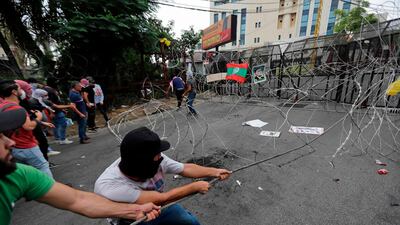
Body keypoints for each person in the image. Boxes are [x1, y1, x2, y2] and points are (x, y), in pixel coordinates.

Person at [0, 105, 161, 225]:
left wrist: (134, 210)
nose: (11, 143)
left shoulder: (18, 174)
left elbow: (78, 199)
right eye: (0, 137)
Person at [94, 127, 232, 225]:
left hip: (158, 208)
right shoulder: (110, 186)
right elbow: (161, 199)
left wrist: (214, 171)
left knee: (189, 222)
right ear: (142, 161)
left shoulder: (155, 157)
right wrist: (194, 187)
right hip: (131, 219)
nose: (161, 157)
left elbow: (185, 168)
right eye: (157, 155)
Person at [0, 80, 53, 177]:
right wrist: (39, 117)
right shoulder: (16, 108)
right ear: (14, 92)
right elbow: (28, 126)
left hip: (13, 147)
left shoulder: (2, 106)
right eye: (20, 88)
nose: (23, 90)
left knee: (27, 173)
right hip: (26, 145)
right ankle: (52, 190)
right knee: (43, 166)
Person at [44, 77, 82, 145]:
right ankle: (62, 139)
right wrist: (51, 112)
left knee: (56, 124)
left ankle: (58, 138)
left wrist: (61, 108)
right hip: (55, 110)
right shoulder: (49, 90)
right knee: (63, 123)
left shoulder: (50, 89)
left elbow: (55, 101)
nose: (57, 84)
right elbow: (50, 102)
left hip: (57, 109)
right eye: (56, 82)